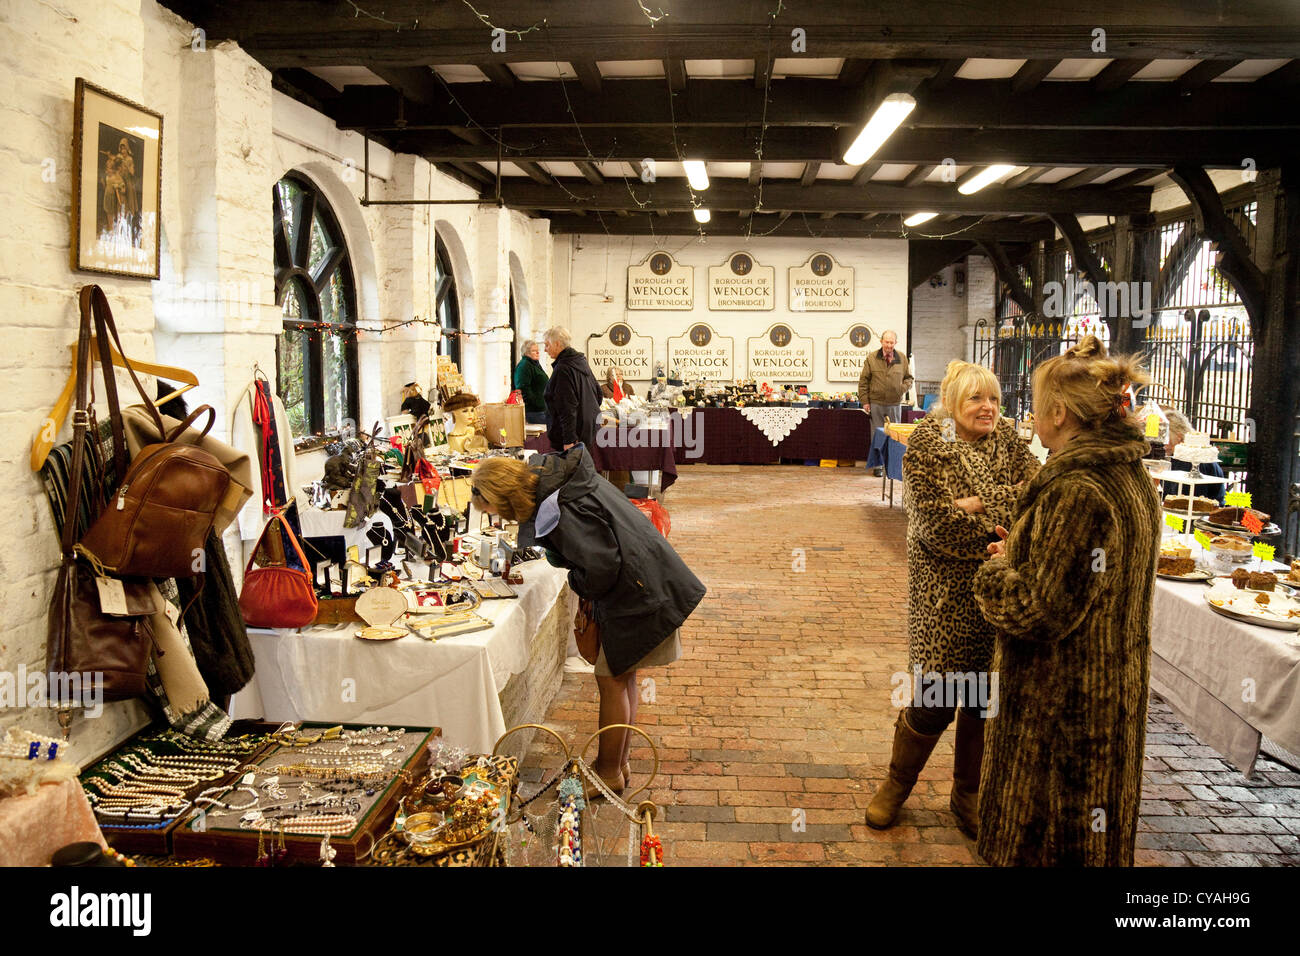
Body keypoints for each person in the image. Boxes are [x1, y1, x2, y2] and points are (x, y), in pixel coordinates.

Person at [972, 335, 1161, 866]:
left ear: (1059, 412)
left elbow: (1039, 609)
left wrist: (994, 572)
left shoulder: (1078, 488)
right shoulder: (1128, 473)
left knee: (1054, 844)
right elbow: (1083, 578)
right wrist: (1023, 549)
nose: (1028, 415)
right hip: (1106, 700)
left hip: (1060, 719)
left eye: (1034, 405)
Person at [865, 360, 1039, 837]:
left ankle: (968, 794)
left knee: (984, 698)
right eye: (976, 399)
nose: (988, 409)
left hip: (1003, 589)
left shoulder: (1009, 440)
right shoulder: (927, 443)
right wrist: (999, 508)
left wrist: (973, 503)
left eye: (994, 400)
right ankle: (896, 786)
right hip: (945, 594)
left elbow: (1037, 497)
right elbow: (932, 525)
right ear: (951, 403)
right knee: (937, 695)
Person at [470, 447, 705, 795]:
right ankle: (616, 763)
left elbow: (601, 567)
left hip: (637, 593)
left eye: (490, 509)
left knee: (611, 681)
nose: (497, 518)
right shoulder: (559, 482)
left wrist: (576, 579)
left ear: (502, 497)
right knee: (623, 678)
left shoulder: (559, 508)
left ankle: (607, 773)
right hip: (645, 581)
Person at [858, 330, 913, 475]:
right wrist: (865, 401)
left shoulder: (901, 358)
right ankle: (878, 466)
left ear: (895, 343)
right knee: (878, 435)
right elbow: (864, 381)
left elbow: (909, 378)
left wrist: (902, 389)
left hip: (894, 403)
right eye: (886, 342)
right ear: (881, 341)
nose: (889, 345)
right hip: (876, 403)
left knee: (894, 436)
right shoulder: (871, 358)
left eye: (891, 342)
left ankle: (893, 465)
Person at [543, 326, 602, 452]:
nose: (544, 350)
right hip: (587, 432)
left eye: (547, 345)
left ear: (557, 344)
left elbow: (566, 407)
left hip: (573, 437)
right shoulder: (580, 362)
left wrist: (569, 439)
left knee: (571, 470)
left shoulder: (563, 369)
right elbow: (598, 394)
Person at [1159, 407, 1225, 504]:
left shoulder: (1194, 460)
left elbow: (1191, 502)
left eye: (1164, 436)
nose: (1161, 442)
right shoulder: (1174, 458)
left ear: (1179, 437)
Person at [513, 340, 550, 426]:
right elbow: (523, 389)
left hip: (541, 410)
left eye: (538, 350)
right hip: (534, 412)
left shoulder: (534, 364)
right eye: (534, 351)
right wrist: (537, 404)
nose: (537, 352)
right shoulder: (524, 366)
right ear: (526, 353)